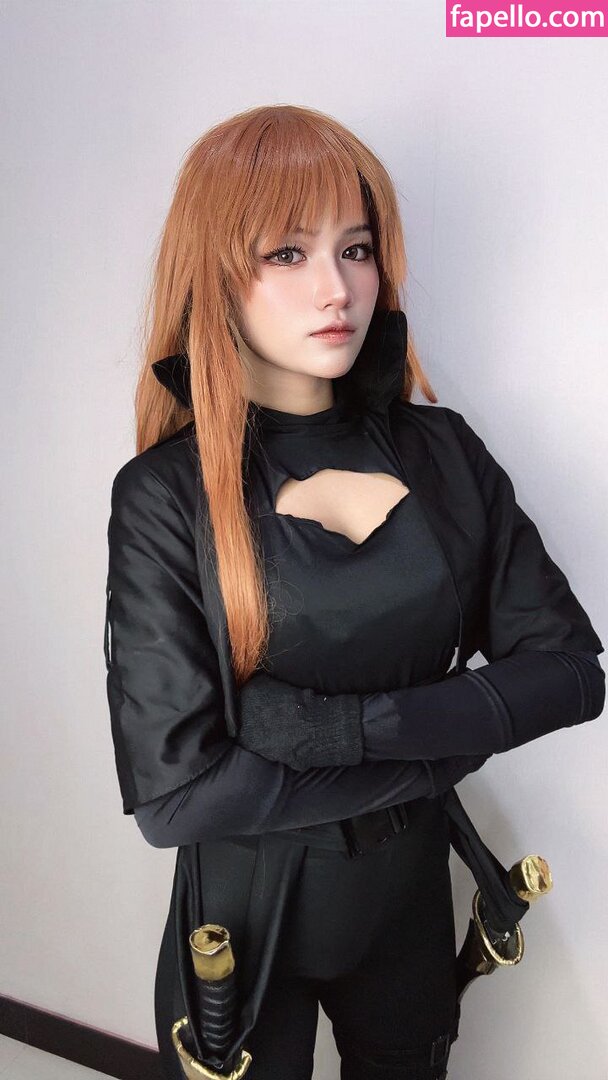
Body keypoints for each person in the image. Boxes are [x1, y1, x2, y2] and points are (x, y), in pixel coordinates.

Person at [104, 104, 605, 1080]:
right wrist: (448, 738)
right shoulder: (166, 496)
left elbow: (571, 674)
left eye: (356, 248)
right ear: (217, 272)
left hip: (408, 893)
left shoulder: (443, 451)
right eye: (286, 253)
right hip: (246, 916)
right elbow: (178, 800)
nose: (336, 288)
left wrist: (337, 730)